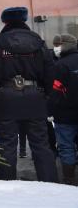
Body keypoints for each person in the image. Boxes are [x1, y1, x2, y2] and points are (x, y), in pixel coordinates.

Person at [0, 7, 58, 182]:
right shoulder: (39, 43)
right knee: (41, 145)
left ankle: (7, 189)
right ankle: (51, 186)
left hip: (6, 99)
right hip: (35, 97)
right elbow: (50, 74)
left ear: (5, 22)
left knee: (6, 146)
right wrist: (46, 99)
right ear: (24, 20)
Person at [48, 33, 78, 185]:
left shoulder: (60, 65)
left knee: (66, 147)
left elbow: (56, 91)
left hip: (65, 115)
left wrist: (50, 111)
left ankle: (69, 180)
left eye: (57, 44)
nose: (55, 48)